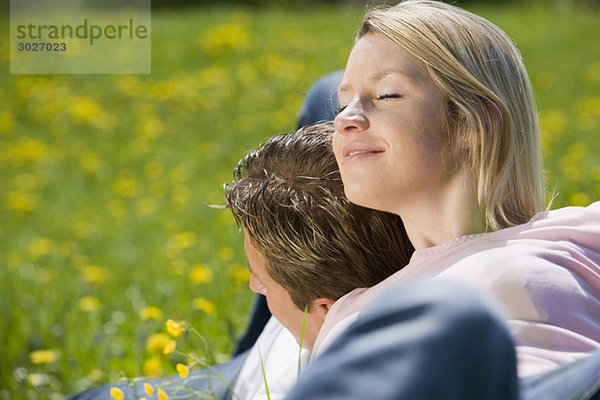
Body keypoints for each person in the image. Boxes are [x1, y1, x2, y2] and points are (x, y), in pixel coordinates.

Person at [285, 1, 600, 399]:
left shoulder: (581, 234)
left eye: (386, 94)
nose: (346, 117)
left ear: (474, 123)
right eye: (343, 101)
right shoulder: (348, 311)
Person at [68, 123, 413, 400]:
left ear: (327, 308)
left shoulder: (289, 387)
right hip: (264, 354)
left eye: (260, 279)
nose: (253, 286)